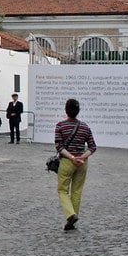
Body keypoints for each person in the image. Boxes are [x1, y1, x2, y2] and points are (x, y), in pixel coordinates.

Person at [55, 98, 96, 231]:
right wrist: (81, 157)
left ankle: (71, 214)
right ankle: (72, 221)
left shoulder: (60, 126)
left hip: (67, 162)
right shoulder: (85, 127)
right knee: (77, 191)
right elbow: (92, 147)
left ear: (66, 110)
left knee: (62, 190)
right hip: (82, 163)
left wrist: (72, 158)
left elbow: (59, 147)